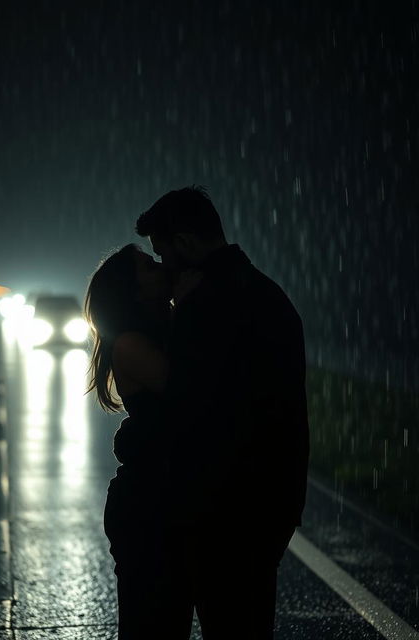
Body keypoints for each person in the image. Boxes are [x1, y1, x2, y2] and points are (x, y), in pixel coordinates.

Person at [134, 185, 310, 639]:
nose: (162, 265)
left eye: (162, 252)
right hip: (269, 498)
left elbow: (188, 401)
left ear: (187, 245)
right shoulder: (269, 294)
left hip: (222, 509)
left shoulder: (205, 304)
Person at [85, 243, 188, 639]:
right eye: (148, 267)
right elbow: (190, 388)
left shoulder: (161, 327)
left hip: (165, 502)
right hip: (147, 509)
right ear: (133, 291)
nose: (161, 266)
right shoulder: (129, 343)